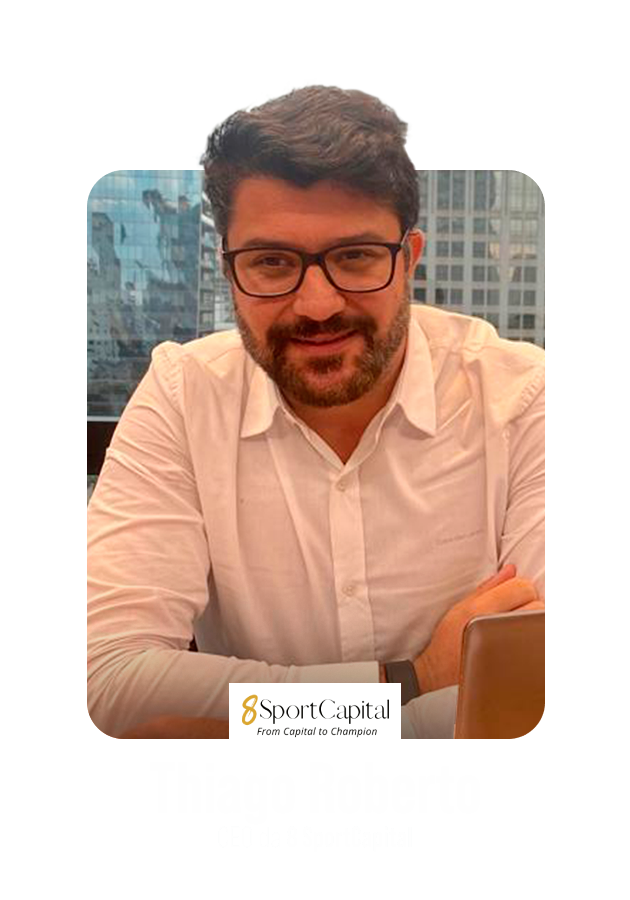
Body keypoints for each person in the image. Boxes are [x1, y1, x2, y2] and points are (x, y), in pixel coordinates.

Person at [87, 85, 544, 739]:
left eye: (354, 256)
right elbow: (112, 686)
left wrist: (251, 718)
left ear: (409, 260)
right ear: (229, 271)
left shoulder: (522, 399)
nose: (318, 305)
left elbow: (530, 693)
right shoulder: (184, 398)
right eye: (272, 263)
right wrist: (409, 682)